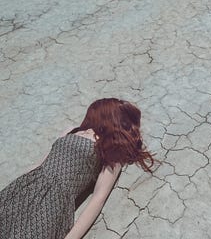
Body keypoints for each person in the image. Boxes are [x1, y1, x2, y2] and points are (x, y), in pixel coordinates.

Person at [0, 98, 155, 239]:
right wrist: (12, 189)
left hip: (52, 201)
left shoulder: (112, 147)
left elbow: (98, 198)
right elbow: (41, 163)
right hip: (26, 187)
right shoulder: (71, 130)